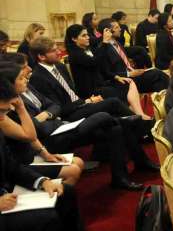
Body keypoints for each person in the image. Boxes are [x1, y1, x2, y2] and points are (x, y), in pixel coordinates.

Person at [2, 60, 149, 190]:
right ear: (10, 84)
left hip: (59, 126)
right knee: (104, 116)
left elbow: (54, 106)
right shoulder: (10, 105)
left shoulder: (28, 89)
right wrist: (45, 118)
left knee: (114, 129)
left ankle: (122, 176)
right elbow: (34, 131)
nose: (27, 75)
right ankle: (132, 122)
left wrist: (46, 116)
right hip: (50, 138)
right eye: (21, 77)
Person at [0, 105, 84, 231]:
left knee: (65, 192)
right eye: (2, 111)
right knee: (47, 219)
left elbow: (13, 168)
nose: (3, 117)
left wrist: (42, 181)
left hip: (7, 192)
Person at [0, 66, 83, 185]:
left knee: (78, 162)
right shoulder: (5, 112)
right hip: (19, 163)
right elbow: (30, 135)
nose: (26, 80)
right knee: (73, 170)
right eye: (21, 78)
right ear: (9, 85)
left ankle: (57, 196)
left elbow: (33, 138)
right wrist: (21, 108)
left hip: (29, 154)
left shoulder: (15, 101)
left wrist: (46, 154)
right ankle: (56, 198)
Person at [64, 24, 151, 120]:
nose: (88, 37)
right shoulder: (75, 55)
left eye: (87, 35)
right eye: (84, 36)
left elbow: (101, 69)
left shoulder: (87, 50)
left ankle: (138, 114)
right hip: (91, 90)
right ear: (74, 39)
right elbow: (94, 62)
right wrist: (104, 42)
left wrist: (116, 77)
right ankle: (136, 118)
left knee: (128, 82)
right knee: (119, 92)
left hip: (101, 84)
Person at [95, 18, 170, 94]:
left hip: (131, 73)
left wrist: (133, 70)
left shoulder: (116, 43)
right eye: (117, 27)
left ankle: (161, 99)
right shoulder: (102, 49)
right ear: (107, 31)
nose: (120, 29)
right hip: (123, 80)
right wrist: (129, 74)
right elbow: (106, 73)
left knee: (159, 82)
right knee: (157, 74)